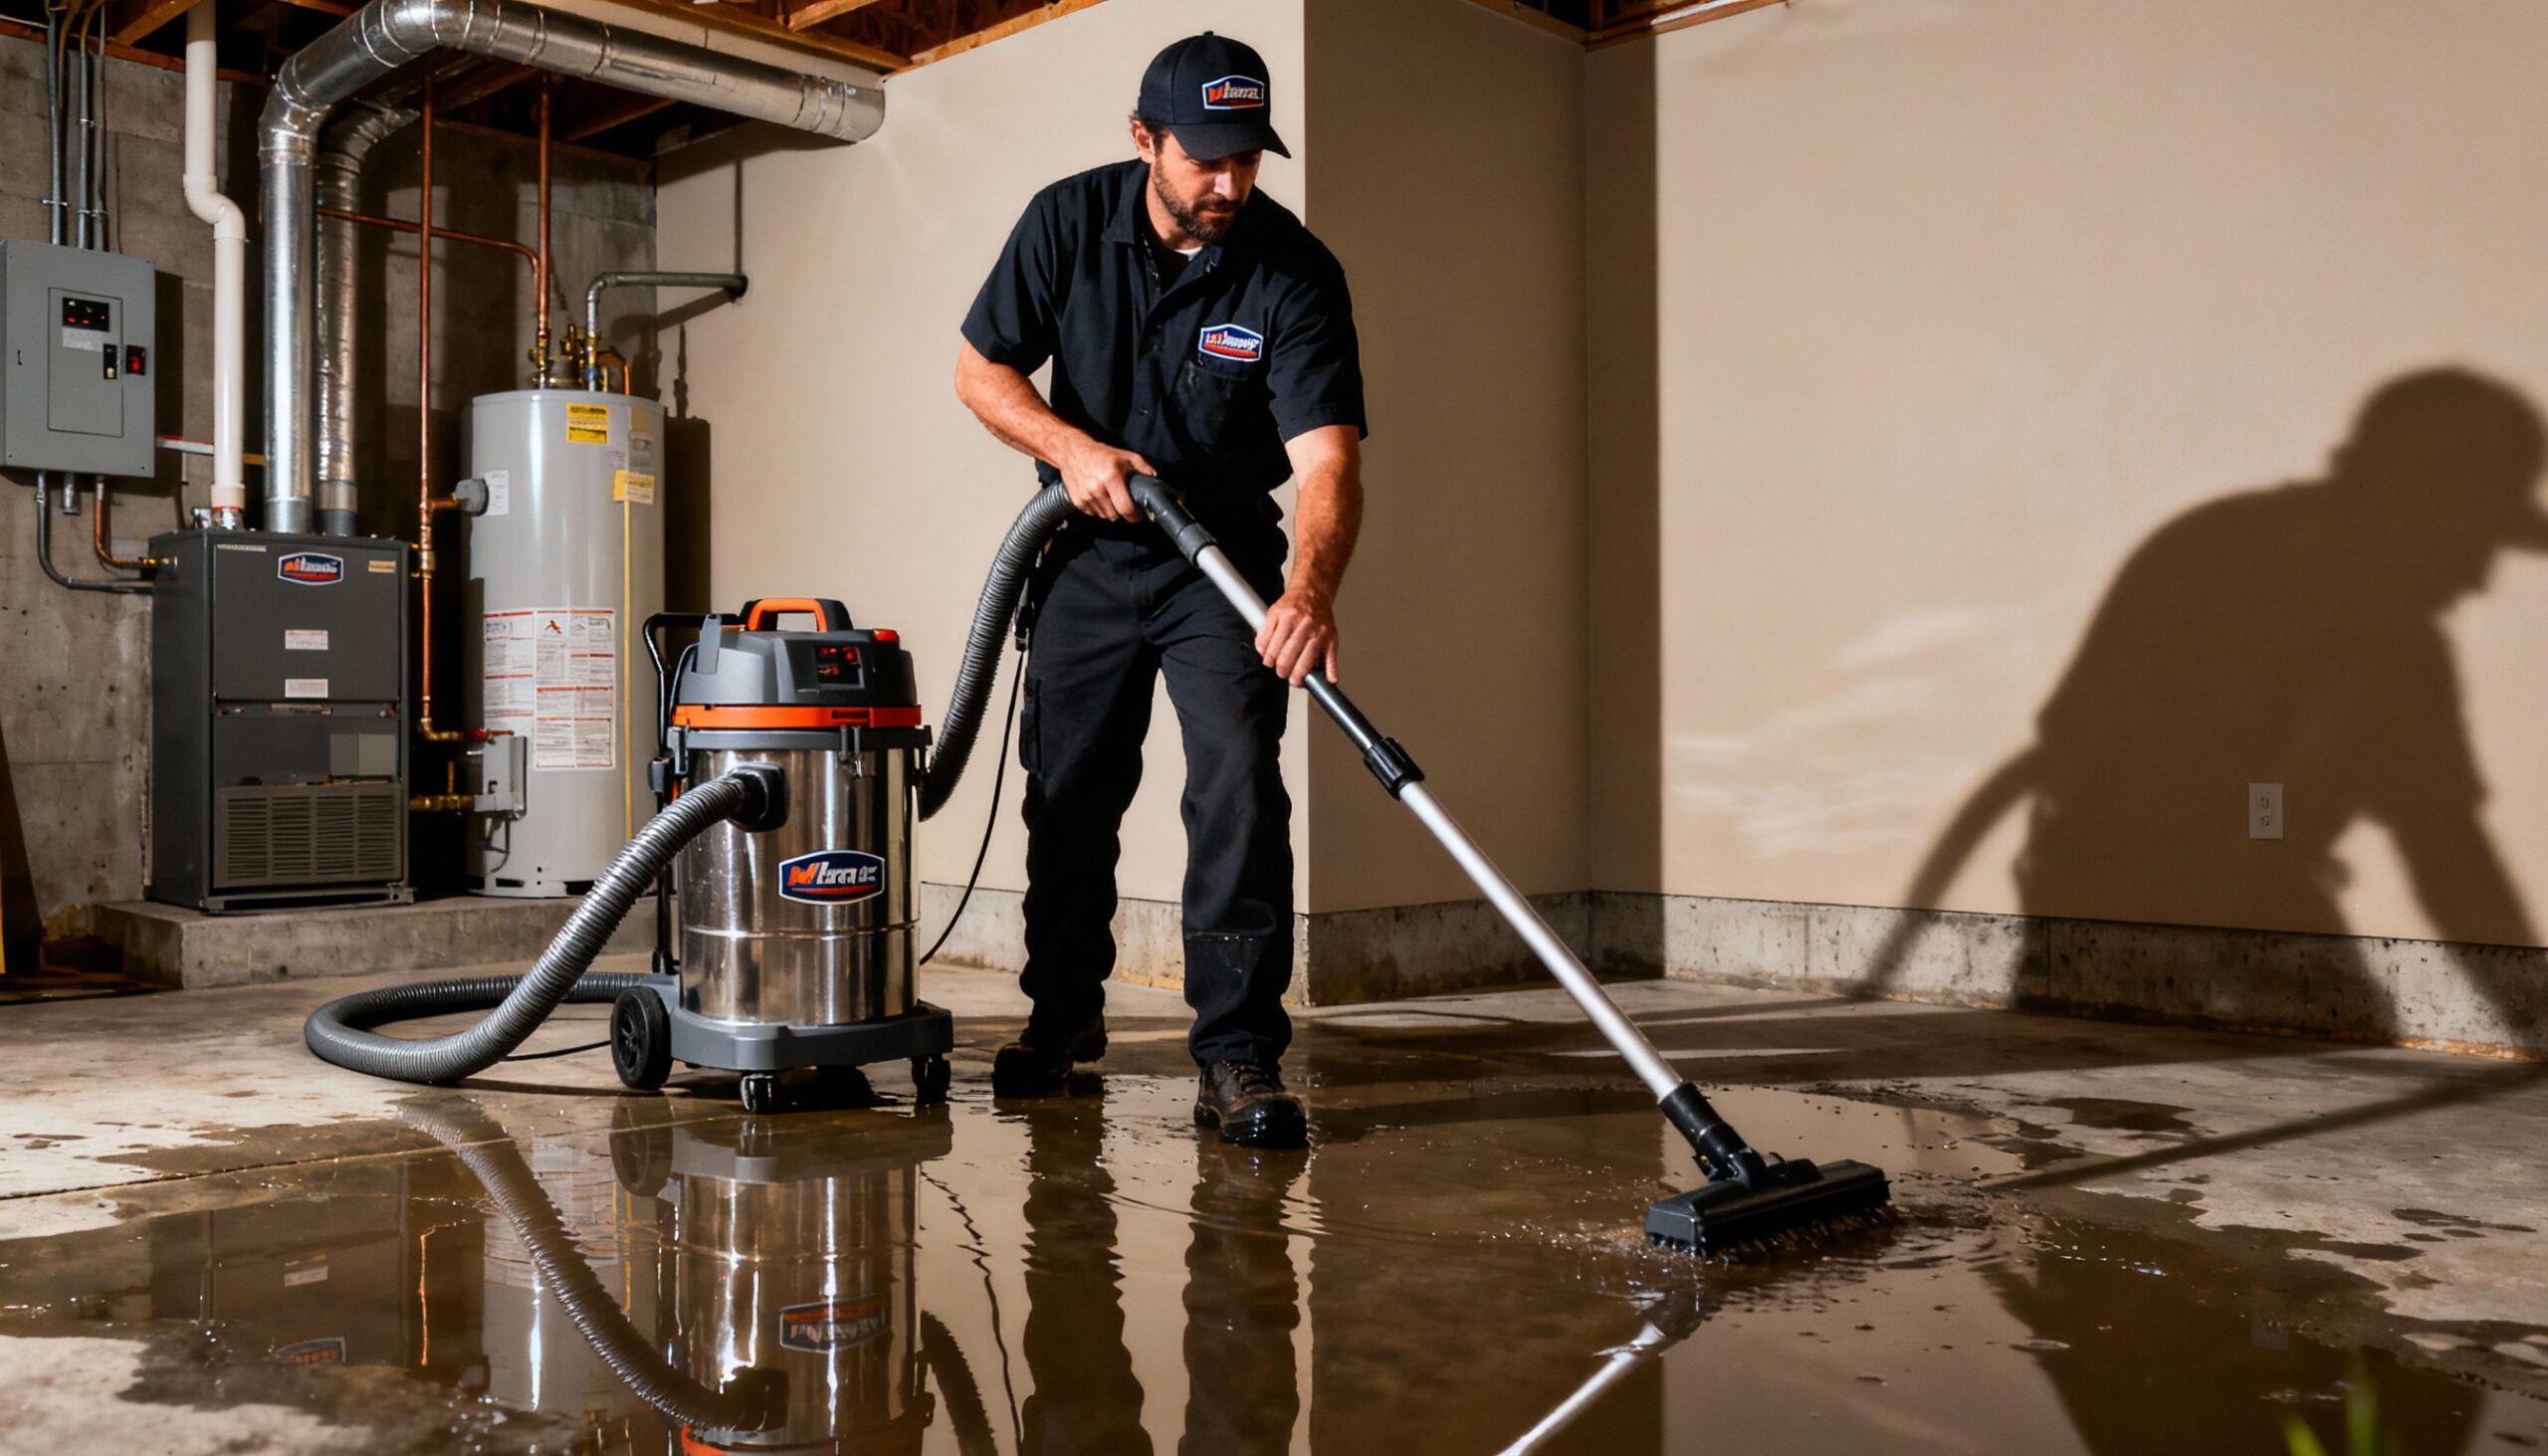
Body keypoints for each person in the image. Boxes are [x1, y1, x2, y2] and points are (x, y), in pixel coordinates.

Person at [954, 31, 1368, 1146]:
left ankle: (1238, 1052)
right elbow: (979, 370)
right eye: (1207, 159)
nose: (1230, 183)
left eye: (1248, 159)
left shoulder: (1292, 271)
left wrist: (1311, 591)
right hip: (1086, 550)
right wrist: (1068, 448)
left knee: (1237, 789)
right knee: (1070, 789)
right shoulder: (1065, 221)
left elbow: (1329, 460)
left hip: (1222, 566)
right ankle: (1062, 1018)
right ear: (1147, 140)